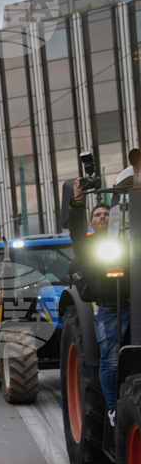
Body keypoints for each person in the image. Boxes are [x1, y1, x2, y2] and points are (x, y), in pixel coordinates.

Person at [68, 178, 131, 424]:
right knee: (111, 359)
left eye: (106, 214)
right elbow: (76, 230)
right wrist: (77, 201)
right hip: (110, 308)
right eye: (98, 215)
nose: (103, 217)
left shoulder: (126, 241)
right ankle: (114, 409)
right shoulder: (88, 246)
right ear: (91, 222)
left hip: (132, 304)